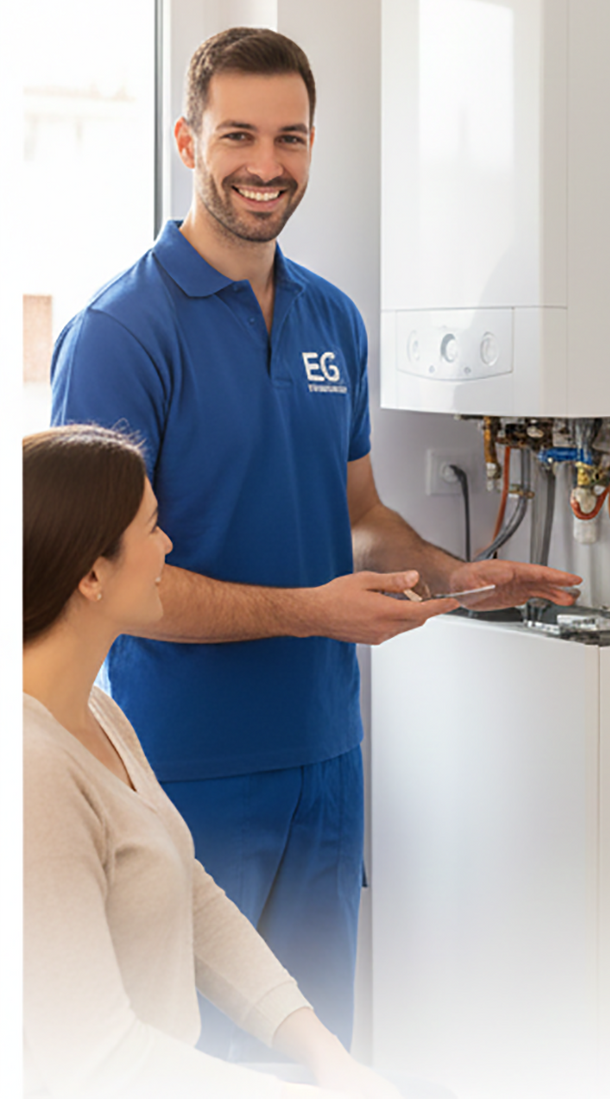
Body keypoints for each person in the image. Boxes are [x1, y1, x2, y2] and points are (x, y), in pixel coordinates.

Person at [48, 27, 581, 1059]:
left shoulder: (331, 316)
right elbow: (103, 583)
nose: (265, 165)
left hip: (327, 757)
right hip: (185, 767)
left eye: (290, 137)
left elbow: (363, 510)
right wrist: (310, 609)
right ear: (187, 141)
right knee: (190, 1056)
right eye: (237, 134)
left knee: (319, 1045)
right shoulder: (120, 333)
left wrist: (448, 571)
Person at [23, 425, 406, 1099]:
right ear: (91, 573)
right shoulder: (31, 770)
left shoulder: (98, 715)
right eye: (152, 528)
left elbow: (189, 896)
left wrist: (324, 1054)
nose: (169, 545)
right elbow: (96, 1065)